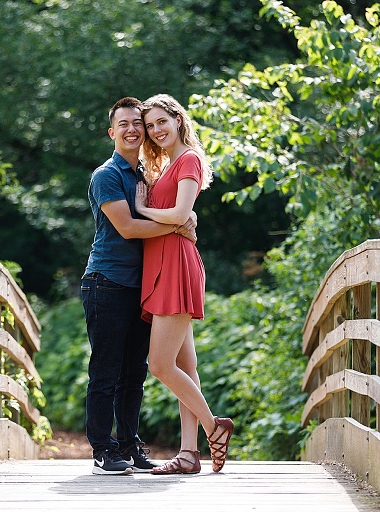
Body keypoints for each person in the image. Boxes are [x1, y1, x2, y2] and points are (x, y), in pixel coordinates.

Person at [81, 96, 197, 475]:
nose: (134, 130)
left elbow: (171, 209)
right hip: (108, 282)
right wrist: (180, 222)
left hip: (142, 285)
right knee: (106, 369)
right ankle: (103, 449)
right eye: (125, 124)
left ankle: (130, 446)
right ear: (112, 132)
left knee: (135, 371)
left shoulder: (145, 174)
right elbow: (129, 228)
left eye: (140, 123)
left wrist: (184, 216)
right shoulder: (107, 176)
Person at [134, 94, 234, 474]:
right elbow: (178, 219)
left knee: (160, 365)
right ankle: (189, 454)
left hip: (176, 265)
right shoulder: (164, 167)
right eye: (151, 126)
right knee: (184, 364)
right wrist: (178, 222)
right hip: (164, 261)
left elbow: (180, 213)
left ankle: (214, 427)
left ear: (178, 119)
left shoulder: (189, 159)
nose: (157, 130)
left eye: (162, 121)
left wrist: (144, 208)